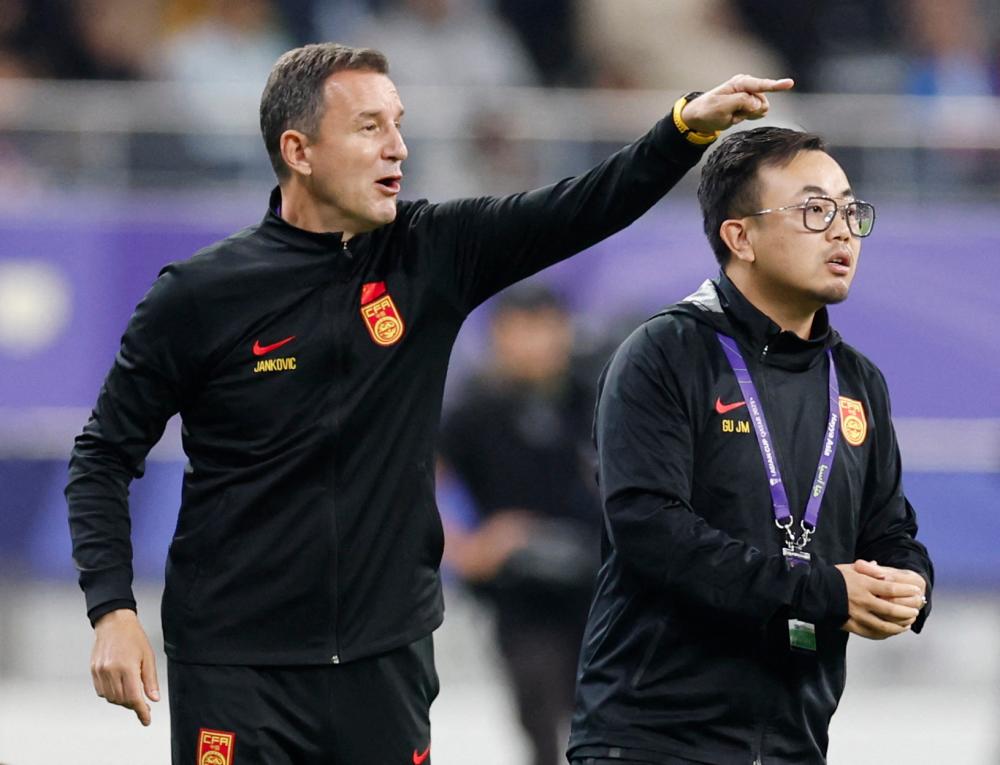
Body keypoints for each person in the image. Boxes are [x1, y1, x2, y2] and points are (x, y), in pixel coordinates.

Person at [65, 40, 792, 763]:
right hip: (236, 668)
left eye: (399, 123)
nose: (398, 148)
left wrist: (683, 129)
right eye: (370, 128)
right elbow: (102, 454)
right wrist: (112, 608)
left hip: (387, 660)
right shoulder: (197, 296)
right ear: (300, 149)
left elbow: (581, 207)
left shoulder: (431, 252)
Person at [567, 126, 934, 765]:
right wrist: (821, 590)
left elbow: (889, 529)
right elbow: (648, 527)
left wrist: (908, 582)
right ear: (741, 237)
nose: (844, 230)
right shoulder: (665, 352)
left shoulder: (856, 380)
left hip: (795, 742)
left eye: (850, 209)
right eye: (816, 209)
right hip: (653, 740)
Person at [439, 283, 601, 765]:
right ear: (498, 337)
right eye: (523, 330)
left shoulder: (593, 396)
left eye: (547, 328)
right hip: (520, 592)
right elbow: (423, 479)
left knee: (604, 707)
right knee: (537, 703)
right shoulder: (474, 411)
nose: (537, 343)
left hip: (600, 580)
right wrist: (467, 548)